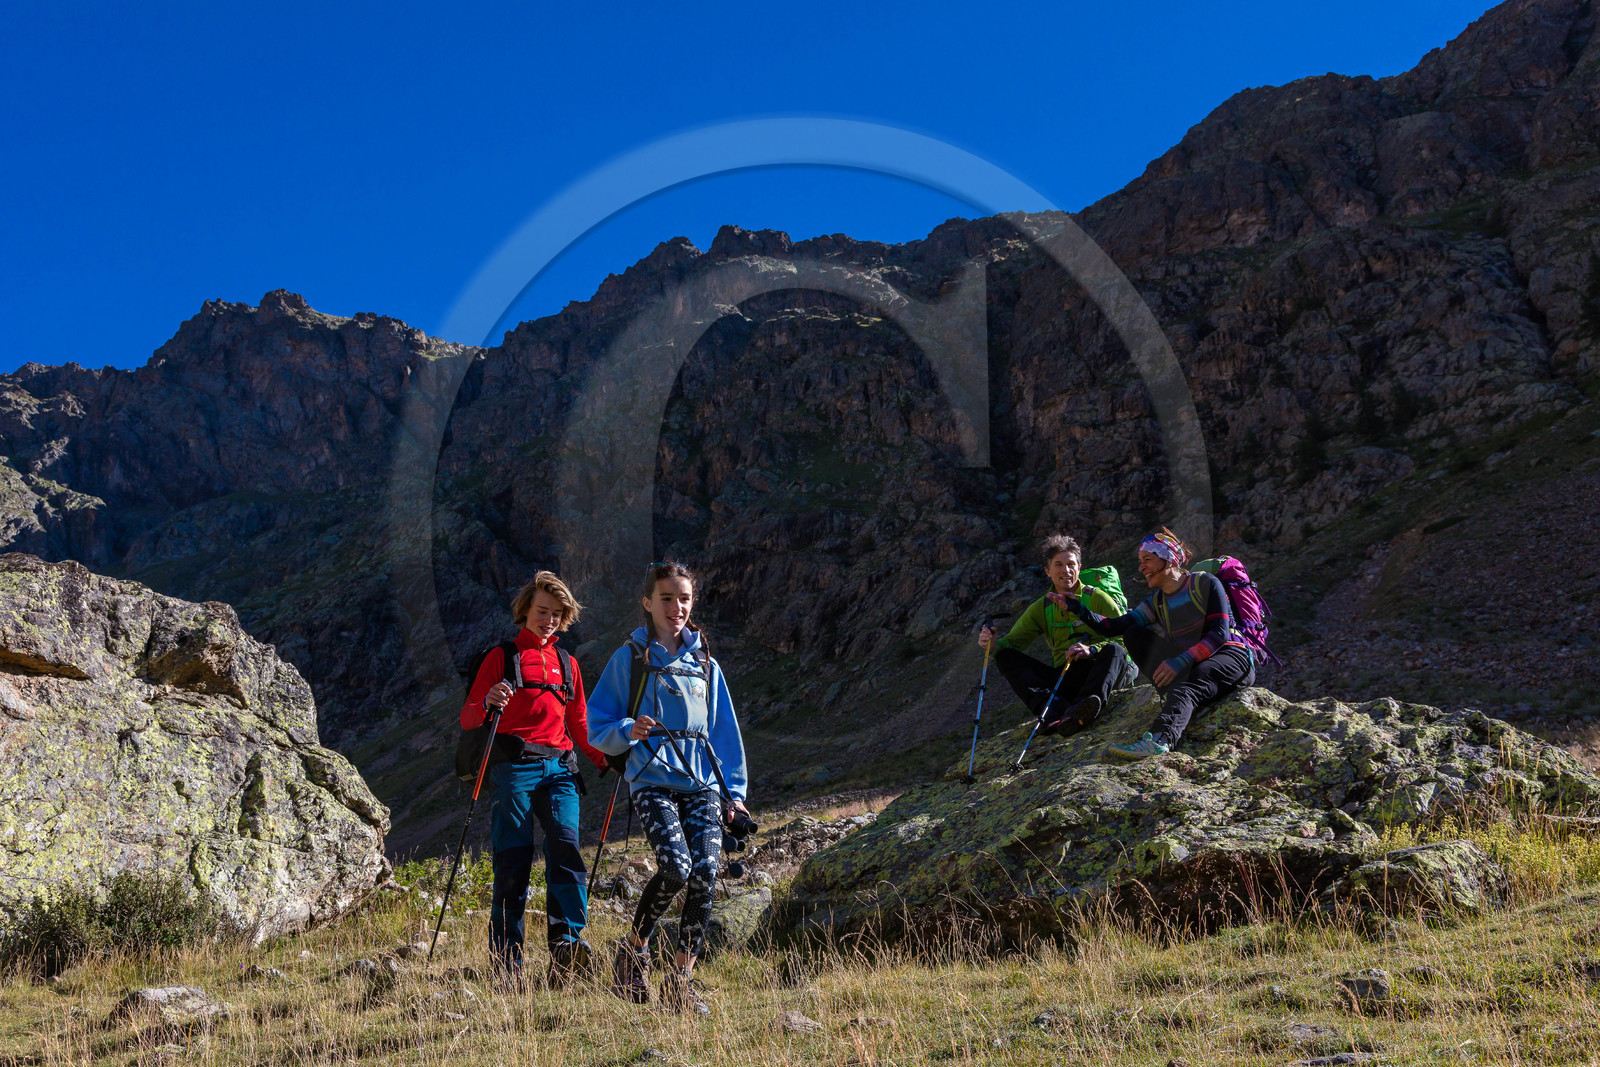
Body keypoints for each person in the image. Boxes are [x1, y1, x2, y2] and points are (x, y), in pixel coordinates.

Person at [587, 561, 750, 1017]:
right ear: (647, 603)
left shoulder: (705, 663)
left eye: (684, 598)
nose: (676, 607)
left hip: (702, 785)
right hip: (652, 780)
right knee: (676, 867)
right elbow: (596, 723)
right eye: (666, 598)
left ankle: (681, 982)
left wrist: (734, 794)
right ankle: (632, 950)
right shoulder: (631, 658)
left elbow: (724, 734)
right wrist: (628, 728)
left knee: (705, 872)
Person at [459, 571, 610, 988]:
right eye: (542, 611)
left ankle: (567, 947)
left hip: (561, 767)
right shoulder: (501, 657)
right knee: (513, 861)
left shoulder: (568, 663)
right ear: (525, 610)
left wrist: (605, 760)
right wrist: (488, 701)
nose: (548, 620)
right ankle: (507, 965)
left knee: (565, 847)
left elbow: (578, 722)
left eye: (557, 614)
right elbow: (469, 716)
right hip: (514, 768)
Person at [1057, 527, 1256, 759]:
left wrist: (1180, 661)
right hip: (1193, 664)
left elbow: (1219, 634)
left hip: (1230, 656)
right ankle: (1175, 697)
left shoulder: (1204, 583)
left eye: (1147, 560)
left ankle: (1160, 740)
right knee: (1133, 633)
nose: (1141, 568)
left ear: (1169, 559)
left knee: (1186, 688)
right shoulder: (1157, 601)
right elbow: (1111, 627)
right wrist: (1077, 608)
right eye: (1140, 561)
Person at [978, 534, 1136, 736]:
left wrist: (1092, 650)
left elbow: (1124, 637)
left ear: (1079, 567)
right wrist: (992, 645)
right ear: (1048, 571)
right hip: (1066, 676)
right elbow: (1011, 643)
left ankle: (1086, 706)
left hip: (1103, 671)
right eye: (1059, 565)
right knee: (1006, 657)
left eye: (1071, 564)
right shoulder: (1041, 608)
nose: (1066, 570)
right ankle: (1052, 710)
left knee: (1114, 649)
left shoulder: (1097, 598)